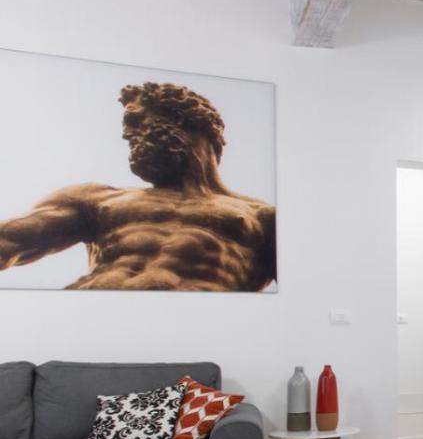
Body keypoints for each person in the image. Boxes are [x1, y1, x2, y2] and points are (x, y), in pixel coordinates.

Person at [0, 82, 276, 291]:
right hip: (85, 322)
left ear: (179, 119)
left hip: (196, 331)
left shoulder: (262, 218)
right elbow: (8, 241)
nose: (126, 135)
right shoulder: (96, 200)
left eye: (135, 121)